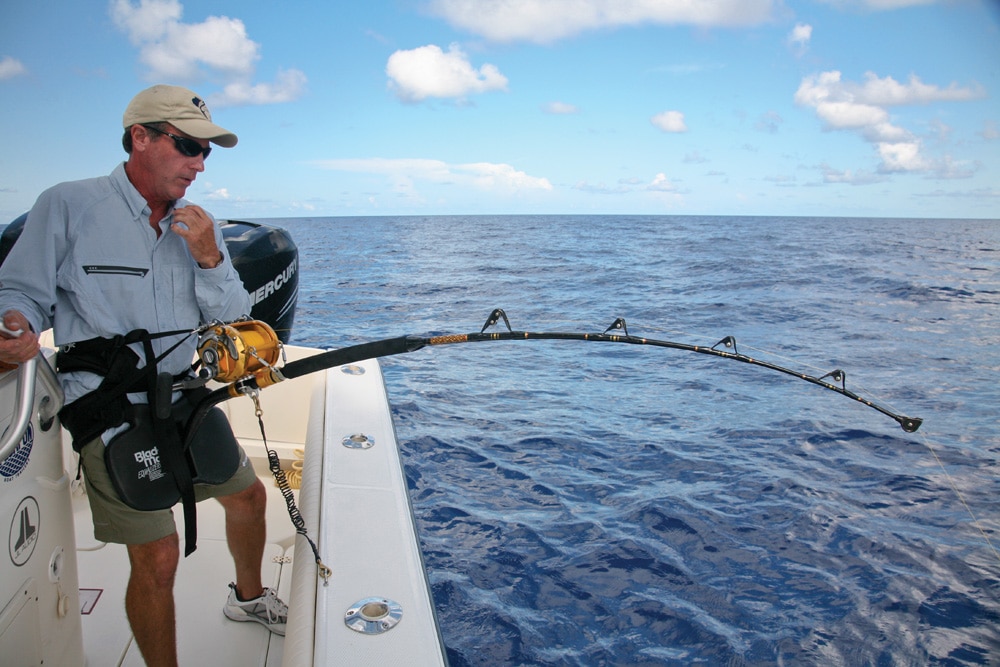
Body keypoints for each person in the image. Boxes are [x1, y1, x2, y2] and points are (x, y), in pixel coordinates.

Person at [0, 84, 287, 666]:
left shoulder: (199, 226)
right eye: (187, 145)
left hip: (184, 398)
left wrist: (210, 255)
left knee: (250, 498)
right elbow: (21, 292)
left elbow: (233, 315)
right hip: (109, 409)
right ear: (141, 137)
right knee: (158, 555)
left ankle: (249, 598)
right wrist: (14, 326)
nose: (199, 163)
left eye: (207, 151)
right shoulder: (68, 204)